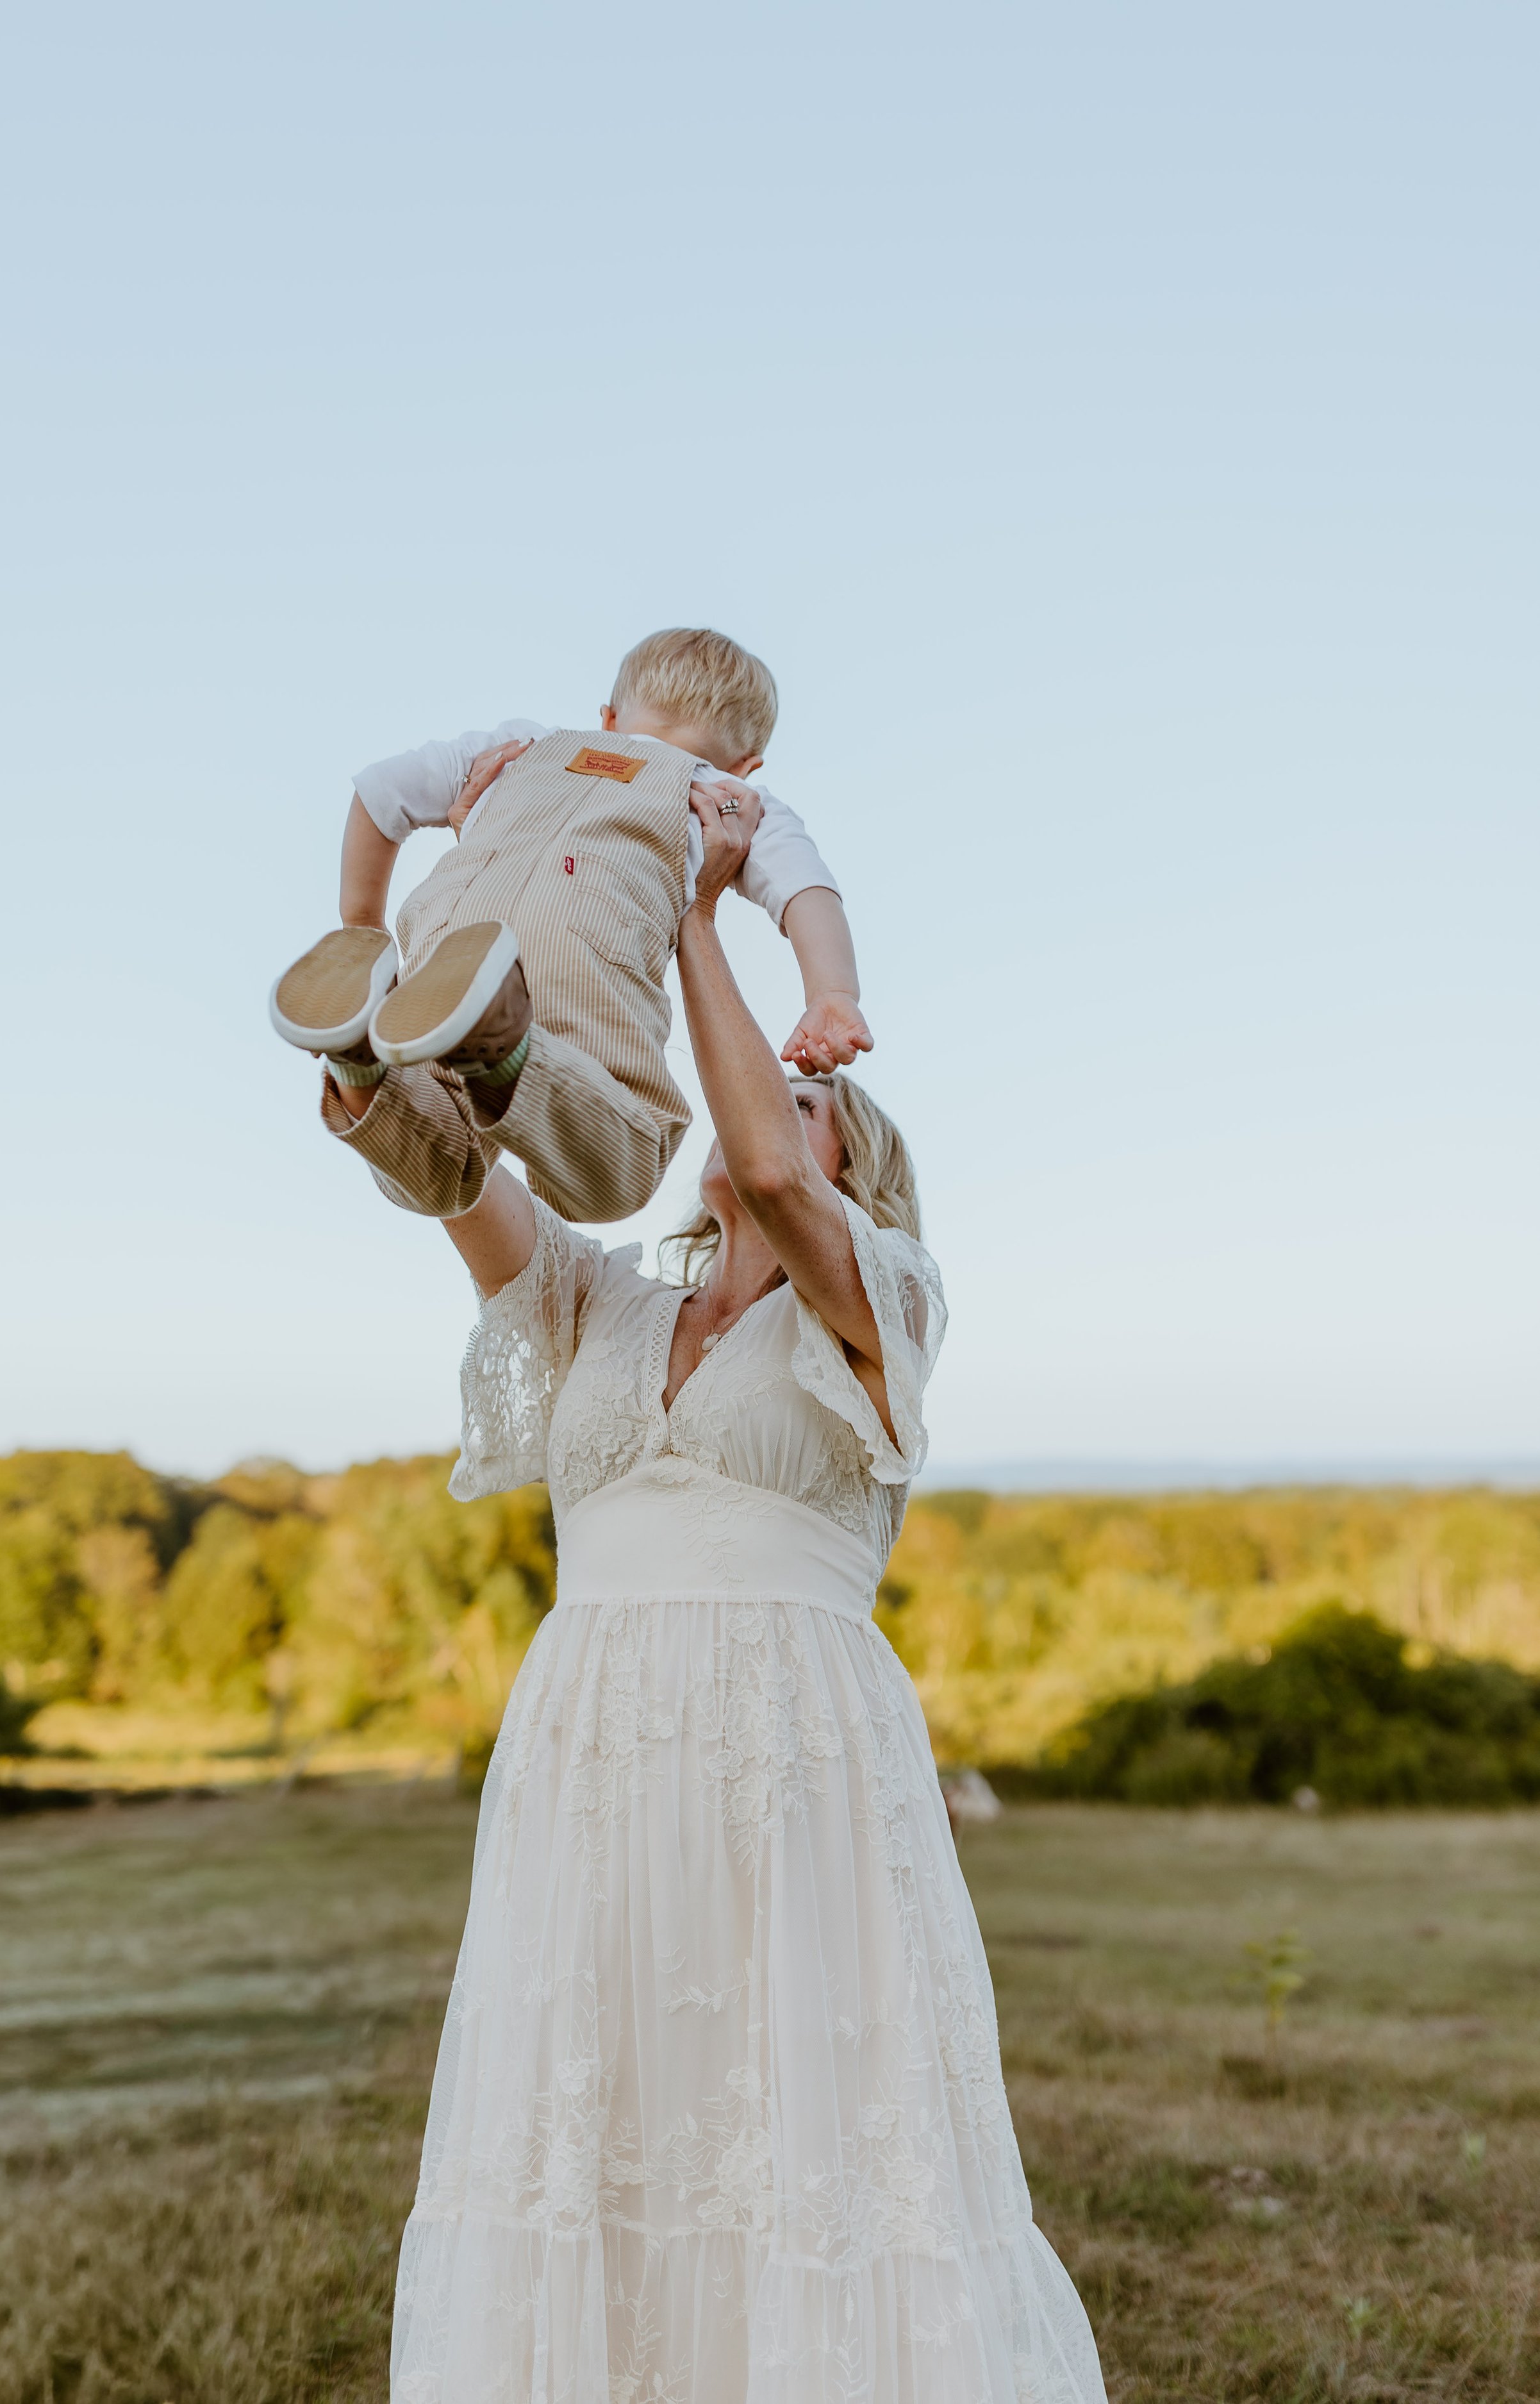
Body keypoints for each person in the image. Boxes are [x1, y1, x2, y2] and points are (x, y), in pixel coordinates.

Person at [373, 790, 1109, 2403]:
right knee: (600, 2105)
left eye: (798, 1093)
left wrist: (697, 915)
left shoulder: (885, 1300)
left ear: (866, 1163)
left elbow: (776, 1174)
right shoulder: (599, 1298)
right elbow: (452, 1183)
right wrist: (374, 1057)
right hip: (591, 1749)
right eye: (746, 1084)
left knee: (804, 2122)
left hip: (794, 1755)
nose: (754, 1105)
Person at [269, 627, 873, 1224]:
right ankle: (500, 1039)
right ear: (748, 763)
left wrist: (364, 925)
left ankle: (358, 1060)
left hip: (451, 933)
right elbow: (807, 890)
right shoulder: (728, 796)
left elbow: (380, 793)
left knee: (442, 1176)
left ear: (608, 718)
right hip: (585, 946)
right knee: (622, 1168)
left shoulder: (523, 744)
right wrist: (832, 993)